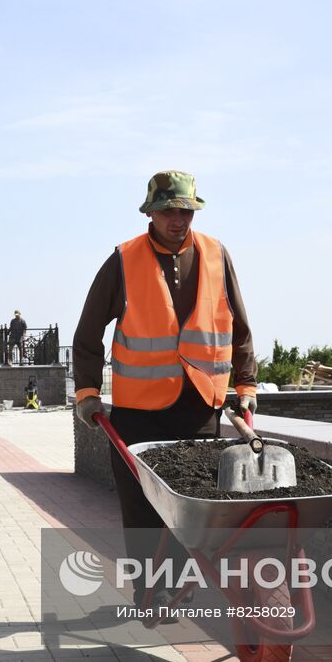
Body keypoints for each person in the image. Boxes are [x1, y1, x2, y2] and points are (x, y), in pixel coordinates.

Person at [72, 170, 258, 601]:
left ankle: (178, 587)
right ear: (151, 213)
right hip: (138, 412)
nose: (179, 219)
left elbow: (240, 326)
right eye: (169, 211)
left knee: (189, 506)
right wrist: (87, 393)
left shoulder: (217, 254)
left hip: (199, 406)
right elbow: (87, 332)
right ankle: (148, 589)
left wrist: (246, 384)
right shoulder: (123, 259)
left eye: (186, 210)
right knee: (142, 508)